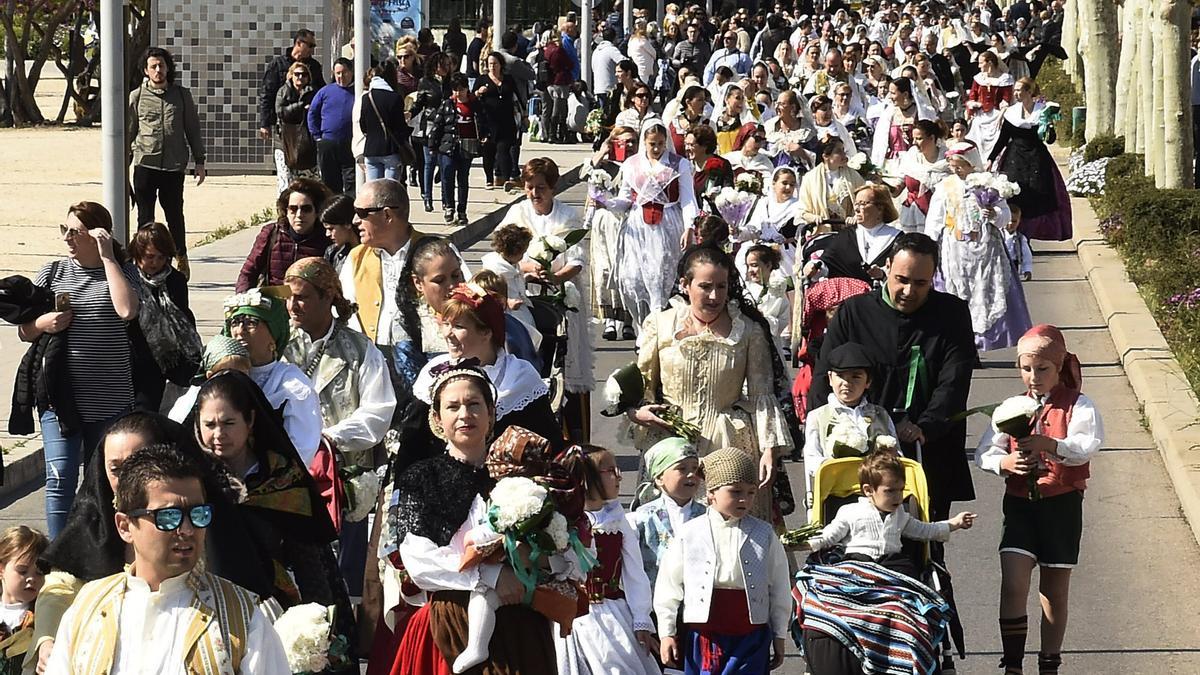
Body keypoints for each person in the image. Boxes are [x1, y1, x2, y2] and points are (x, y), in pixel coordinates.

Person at [30, 412, 275, 674]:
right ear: (123, 526)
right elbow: (61, 587)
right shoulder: (86, 608)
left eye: (196, 515)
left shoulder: (241, 616)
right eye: (116, 468)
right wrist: (46, 639)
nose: (186, 529)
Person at [389, 364, 561, 673]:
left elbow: (563, 543)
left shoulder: (523, 474)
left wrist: (538, 559)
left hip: (523, 622)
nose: (464, 414)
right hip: (453, 619)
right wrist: (492, 576)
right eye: (452, 407)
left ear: (491, 414)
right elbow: (418, 562)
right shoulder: (422, 477)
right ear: (438, 419)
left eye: (473, 404)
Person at [811, 232, 977, 534]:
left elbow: (954, 380)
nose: (908, 291)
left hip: (926, 446)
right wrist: (835, 429)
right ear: (887, 266)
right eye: (901, 279)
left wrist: (924, 426)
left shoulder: (951, 314)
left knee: (924, 539)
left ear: (933, 277)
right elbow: (826, 377)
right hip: (859, 449)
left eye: (920, 283)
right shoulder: (855, 313)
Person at [626, 246, 791, 519]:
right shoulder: (660, 324)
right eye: (705, 286)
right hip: (671, 444)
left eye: (722, 286)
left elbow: (764, 396)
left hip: (730, 442)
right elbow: (641, 388)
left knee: (729, 529)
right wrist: (638, 412)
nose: (715, 296)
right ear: (685, 285)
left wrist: (769, 451)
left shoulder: (748, 330)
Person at [975, 324, 1102, 675]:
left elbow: (1086, 445)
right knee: (1013, 582)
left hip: (1061, 505)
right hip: (1019, 505)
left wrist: (1052, 446)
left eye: (1042, 369)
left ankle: (1049, 662)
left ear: (1059, 367)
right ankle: (1012, 664)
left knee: (1054, 592)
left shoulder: (1078, 405)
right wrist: (1004, 462)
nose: (1033, 377)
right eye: (1026, 368)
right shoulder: (1011, 407)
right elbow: (986, 451)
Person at [18, 202, 140, 538]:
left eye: (76, 232)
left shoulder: (122, 272)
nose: (68, 238)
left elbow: (127, 310)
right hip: (60, 399)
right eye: (65, 230)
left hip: (110, 399)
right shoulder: (53, 273)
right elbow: (24, 330)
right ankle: (59, 560)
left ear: (99, 235)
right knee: (60, 479)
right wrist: (43, 323)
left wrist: (109, 258)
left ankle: (101, 552)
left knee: (104, 482)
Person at [281, 257, 397, 598]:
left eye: (301, 297)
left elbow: (378, 412)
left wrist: (328, 439)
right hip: (289, 481)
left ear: (328, 296)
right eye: (288, 296)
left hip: (344, 481)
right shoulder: (278, 346)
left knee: (345, 581)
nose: (292, 305)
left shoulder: (360, 350)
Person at [653, 447, 791, 673]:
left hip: (750, 634)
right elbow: (668, 586)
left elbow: (779, 587)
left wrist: (779, 634)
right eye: (735, 492)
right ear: (711, 493)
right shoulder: (691, 533)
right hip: (706, 635)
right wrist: (667, 632)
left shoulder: (764, 534)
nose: (744, 499)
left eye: (750, 492)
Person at [500, 158, 595, 439]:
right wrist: (529, 269)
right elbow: (503, 255)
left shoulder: (567, 216)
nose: (534, 193)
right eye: (529, 187)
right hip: (526, 297)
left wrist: (555, 278)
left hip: (561, 297)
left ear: (552, 187)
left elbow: (576, 261)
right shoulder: (517, 214)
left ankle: (573, 434)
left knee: (565, 363)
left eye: (540, 187)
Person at [554, 445, 661, 675]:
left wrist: (641, 618)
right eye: (611, 470)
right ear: (586, 479)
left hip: (613, 614)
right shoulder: (562, 522)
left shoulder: (618, 520)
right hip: (574, 615)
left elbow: (634, 571)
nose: (619, 476)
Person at [800, 448, 977, 578]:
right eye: (890, 491)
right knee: (848, 571)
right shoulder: (850, 511)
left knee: (908, 571)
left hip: (892, 562)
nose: (898, 497)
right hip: (859, 560)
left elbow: (925, 530)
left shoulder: (900, 514)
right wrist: (804, 543)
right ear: (869, 490)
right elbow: (829, 536)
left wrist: (955, 523)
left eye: (900, 490)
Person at [926, 142, 1032, 351]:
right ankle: (961, 342)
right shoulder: (945, 186)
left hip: (986, 251)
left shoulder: (987, 183)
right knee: (957, 292)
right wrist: (930, 245)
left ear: (971, 164)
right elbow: (935, 219)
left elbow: (1005, 216)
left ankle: (980, 340)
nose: (955, 170)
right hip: (955, 249)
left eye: (960, 165)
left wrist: (994, 214)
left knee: (984, 292)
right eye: (952, 165)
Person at [605, 121, 698, 331]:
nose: (656, 149)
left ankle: (658, 326)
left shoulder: (679, 164)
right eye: (652, 144)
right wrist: (607, 202)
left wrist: (689, 226)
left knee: (660, 276)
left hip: (667, 223)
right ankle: (642, 326)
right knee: (632, 277)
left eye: (660, 144)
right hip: (638, 226)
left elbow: (688, 199)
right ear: (643, 143)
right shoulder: (631, 164)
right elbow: (625, 199)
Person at [128, 47, 205, 279]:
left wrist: (199, 160)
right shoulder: (137, 96)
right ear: (146, 70)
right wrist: (122, 166)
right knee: (145, 218)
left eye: (161, 65)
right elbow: (129, 131)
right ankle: (143, 259)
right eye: (153, 66)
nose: (158, 70)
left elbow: (192, 128)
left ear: (168, 68)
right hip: (145, 164)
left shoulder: (181, 95)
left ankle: (180, 255)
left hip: (173, 166)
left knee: (174, 215)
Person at [127, 222, 201, 412]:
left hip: (162, 362)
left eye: (161, 257)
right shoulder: (127, 278)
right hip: (130, 359)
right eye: (149, 257)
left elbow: (183, 320)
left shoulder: (175, 280)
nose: (155, 263)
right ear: (137, 253)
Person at [988, 77, 1072, 241]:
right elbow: (1003, 139)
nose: (1016, 93)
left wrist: (1048, 126)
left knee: (1036, 196)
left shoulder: (1042, 111)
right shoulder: (1011, 113)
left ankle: (1029, 234)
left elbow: (1049, 140)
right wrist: (991, 159)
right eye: (1015, 90)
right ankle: (1013, 233)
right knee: (1014, 194)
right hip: (1014, 157)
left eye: (1020, 90)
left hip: (1037, 158)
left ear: (1029, 91)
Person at [802, 342, 898, 485]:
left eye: (856, 377)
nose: (847, 383)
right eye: (840, 376)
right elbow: (812, 458)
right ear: (830, 378)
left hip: (878, 489)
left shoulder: (880, 414)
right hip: (836, 489)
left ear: (868, 381)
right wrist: (840, 470)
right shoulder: (818, 417)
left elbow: (897, 454)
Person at [626, 437, 703, 584]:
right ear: (659, 478)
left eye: (695, 468)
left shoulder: (707, 516)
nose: (691, 474)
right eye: (682, 469)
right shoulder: (641, 518)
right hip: (652, 600)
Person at [236, 177, 332, 291]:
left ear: (317, 212)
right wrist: (244, 300)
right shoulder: (271, 233)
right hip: (274, 302)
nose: (299, 215)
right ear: (286, 211)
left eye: (306, 209)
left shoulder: (326, 239)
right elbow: (248, 273)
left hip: (310, 305)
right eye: (293, 209)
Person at [259, 29, 327, 177]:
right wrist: (264, 123)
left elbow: (322, 92)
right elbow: (267, 94)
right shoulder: (278, 64)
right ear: (299, 43)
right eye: (310, 45)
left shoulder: (314, 66)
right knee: (285, 169)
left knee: (308, 171)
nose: (312, 49)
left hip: (307, 127)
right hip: (284, 125)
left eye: (314, 46)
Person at [813, 184, 902, 286]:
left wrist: (882, 274)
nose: (856, 209)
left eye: (862, 204)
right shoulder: (845, 236)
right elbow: (826, 265)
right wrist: (814, 267)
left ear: (880, 208)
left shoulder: (897, 239)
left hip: (879, 297)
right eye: (856, 204)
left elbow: (903, 273)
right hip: (848, 299)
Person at [429, 73, 486, 225]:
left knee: (463, 178)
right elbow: (438, 125)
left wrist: (483, 135)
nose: (458, 93)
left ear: (467, 89)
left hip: (467, 146)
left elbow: (483, 121)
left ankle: (462, 210)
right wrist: (432, 144)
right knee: (447, 174)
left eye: (461, 89)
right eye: (455, 90)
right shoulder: (447, 104)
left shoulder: (475, 104)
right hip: (448, 146)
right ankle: (449, 206)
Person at [0, 526, 48, 675]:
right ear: (1, 569)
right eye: (22, 571)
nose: (31, 579)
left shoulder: (43, 615)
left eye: (39, 573)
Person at [735, 166, 800, 276]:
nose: (788, 187)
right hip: (761, 253)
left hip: (785, 257)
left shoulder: (798, 206)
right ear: (774, 184)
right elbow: (753, 230)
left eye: (792, 184)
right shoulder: (763, 204)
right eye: (784, 183)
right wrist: (737, 231)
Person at [796, 137, 866, 233]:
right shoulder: (810, 178)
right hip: (822, 233)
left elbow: (865, 200)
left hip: (848, 231)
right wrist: (813, 217)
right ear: (825, 156)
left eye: (843, 150)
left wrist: (855, 216)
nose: (843, 154)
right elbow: (802, 209)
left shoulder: (853, 175)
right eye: (838, 151)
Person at [309, 57, 358, 195]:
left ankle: (349, 209)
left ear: (351, 72)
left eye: (344, 72)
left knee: (351, 181)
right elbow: (312, 113)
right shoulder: (325, 91)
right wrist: (317, 136)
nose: (341, 76)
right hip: (328, 143)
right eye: (338, 73)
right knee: (330, 182)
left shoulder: (358, 91)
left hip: (350, 143)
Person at [475, 53, 521, 190]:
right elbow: (473, 97)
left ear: (501, 65)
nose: (492, 67)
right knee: (489, 152)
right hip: (488, 122)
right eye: (490, 64)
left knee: (504, 150)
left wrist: (522, 116)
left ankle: (506, 179)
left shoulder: (508, 79)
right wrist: (478, 92)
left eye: (495, 64)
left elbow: (517, 97)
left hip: (506, 122)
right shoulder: (482, 80)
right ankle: (489, 179)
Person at [275, 61, 322, 193]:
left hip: (306, 141)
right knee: (286, 180)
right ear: (291, 76)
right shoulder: (283, 92)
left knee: (310, 180)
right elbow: (280, 112)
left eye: (304, 75)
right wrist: (301, 106)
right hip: (285, 142)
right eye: (297, 74)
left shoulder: (313, 92)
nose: (300, 77)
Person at [360, 58, 409, 182]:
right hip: (390, 150)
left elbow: (363, 125)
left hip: (371, 150)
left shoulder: (367, 97)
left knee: (374, 190)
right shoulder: (395, 98)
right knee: (390, 191)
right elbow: (400, 127)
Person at [897, 119, 950, 232]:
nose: (914, 142)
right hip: (912, 216)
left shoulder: (948, 160)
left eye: (919, 138)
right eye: (914, 138)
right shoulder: (910, 157)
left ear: (931, 138)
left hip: (940, 216)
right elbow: (897, 189)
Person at [965, 49, 1014, 160]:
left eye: (981, 63)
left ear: (990, 62)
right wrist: (973, 105)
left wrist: (1001, 116)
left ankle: (995, 162)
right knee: (977, 137)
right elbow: (972, 95)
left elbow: (1007, 100)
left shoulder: (1004, 79)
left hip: (997, 114)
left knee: (998, 138)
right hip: (980, 114)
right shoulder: (979, 78)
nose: (979, 66)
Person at [319, 194, 360, 273]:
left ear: (347, 224)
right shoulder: (332, 253)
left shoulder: (372, 250)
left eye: (331, 229)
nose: (327, 234)